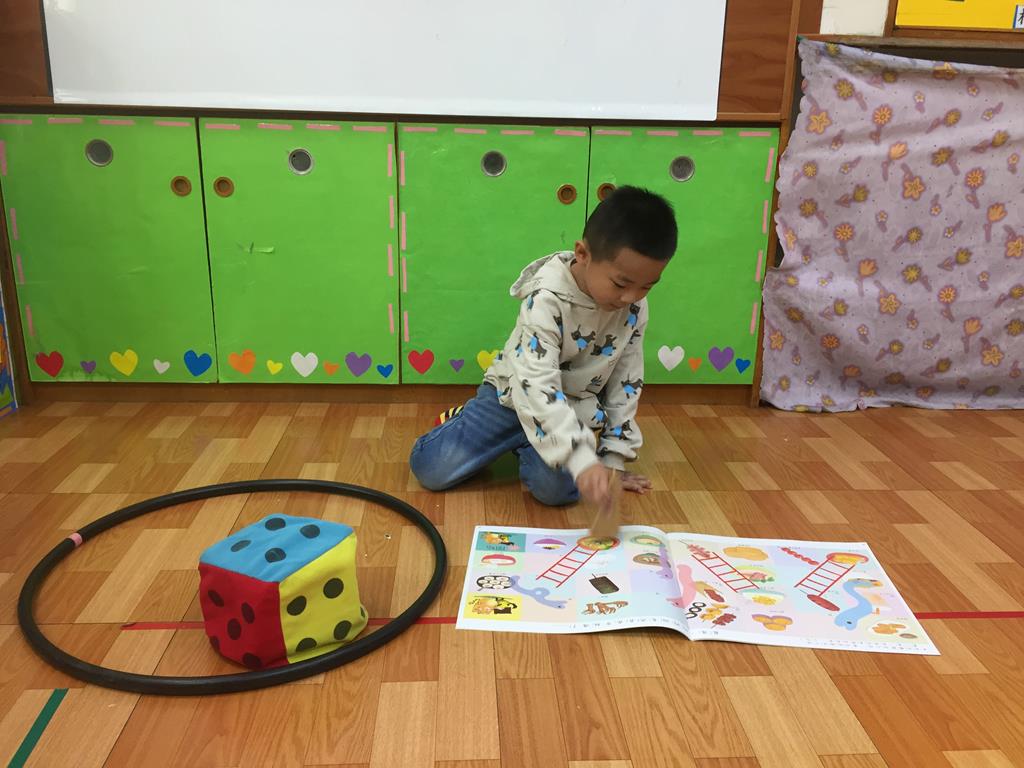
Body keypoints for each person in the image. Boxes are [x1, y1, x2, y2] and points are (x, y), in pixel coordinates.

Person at [409, 185, 677, 515]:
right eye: (621, 284)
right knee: (430, 468)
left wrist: (612, 459)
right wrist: (579, 457)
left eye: (647, 286)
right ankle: (469, 422)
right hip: (512, 398)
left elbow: (627, 379)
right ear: (582, 254)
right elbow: (536, 382)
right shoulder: (546, 299)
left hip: (570, 409)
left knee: (559, 492)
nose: (631, 297)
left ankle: (528, 443)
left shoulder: (634, 307)